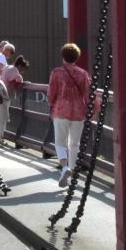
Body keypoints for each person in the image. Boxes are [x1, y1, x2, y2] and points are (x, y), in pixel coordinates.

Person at [49, 44, 92, 186]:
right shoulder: (83, 73)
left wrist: (51, 104)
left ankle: (65, 167)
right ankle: (73, 173)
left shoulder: (56, 73)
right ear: (77, 57)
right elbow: (89, 94)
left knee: (60, 143)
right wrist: (95, 109)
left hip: (61, 111)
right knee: (74, 144)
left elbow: (51, 94)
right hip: (79, 112)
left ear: (63, 56)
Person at [0, 52, 26, 141]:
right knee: (2, 118)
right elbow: (19, 79)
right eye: (23, 69)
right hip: (5, 96)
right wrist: (20, 77)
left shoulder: (8, 67)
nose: (22, 71)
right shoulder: (15, 70)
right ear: (20, 66)